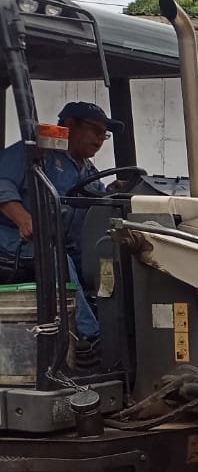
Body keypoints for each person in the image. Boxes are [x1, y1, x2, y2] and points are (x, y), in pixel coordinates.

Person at [0, 101, 115, 355]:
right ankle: (90, 338)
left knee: (108, 256)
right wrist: (24, 219)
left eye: (104, 135)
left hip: (62, 243)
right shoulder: (37, 154)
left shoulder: (87, 169)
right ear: (70, 125)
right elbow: (2, 182)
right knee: (58, 259)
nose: (100, 140)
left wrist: (112, 192)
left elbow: (96, 200)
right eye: (95, 131)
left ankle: (118, 329)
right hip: (14, 239)